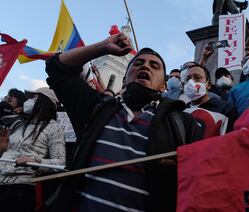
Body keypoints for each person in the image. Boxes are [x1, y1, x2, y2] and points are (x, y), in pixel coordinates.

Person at [45, 33, 203, 212]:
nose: (145, 66)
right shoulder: (97, 109)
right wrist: (104, 46)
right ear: (125, 79)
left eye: (154, 66)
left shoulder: (184, 124)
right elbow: (57, 67)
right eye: (138, 63)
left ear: (163, 85)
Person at [0, 87, 66, 212]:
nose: (28, 101)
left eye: (33, 97)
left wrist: (35, 161)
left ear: (44, 102)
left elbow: (60, 163)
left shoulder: (54, 128)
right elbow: (2, 158)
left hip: (18, 189)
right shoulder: (20, 125)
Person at [184, 64, 238, 135]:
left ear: (208, 85)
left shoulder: (226, 109)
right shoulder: (181, 112)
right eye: (188, 79)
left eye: (197, 77)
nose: (191, 82)